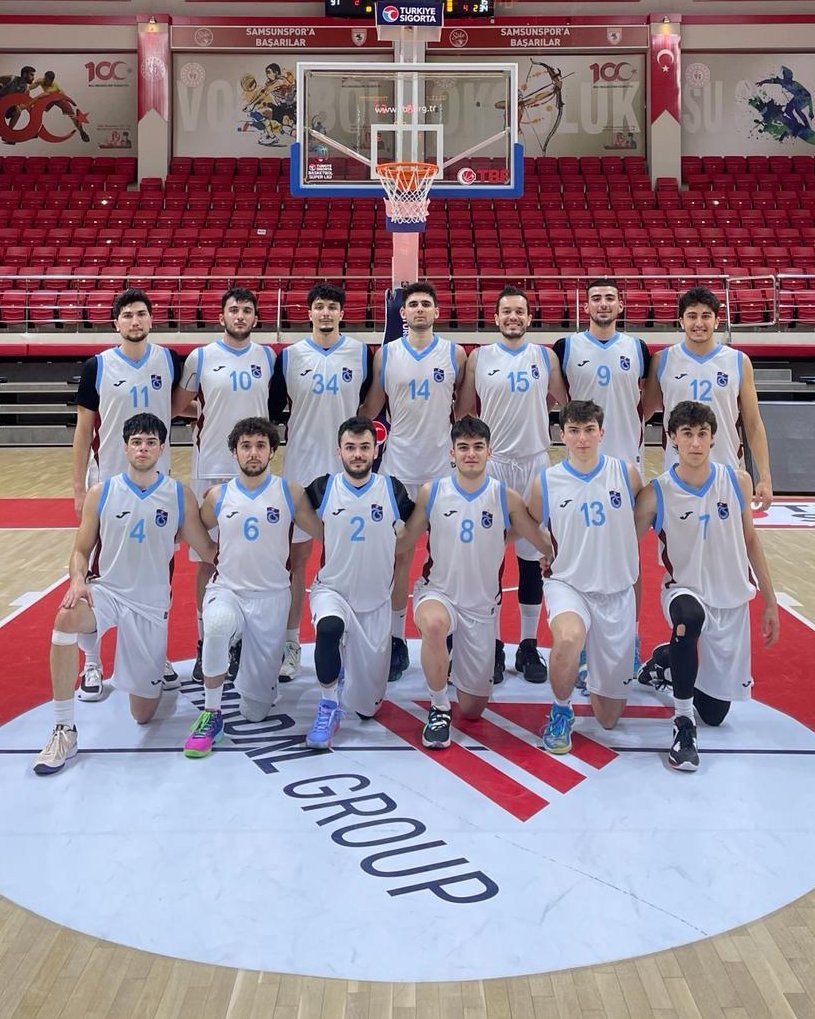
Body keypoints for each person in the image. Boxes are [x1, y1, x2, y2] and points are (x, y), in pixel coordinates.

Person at [32, 414, 216, 776]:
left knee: (142, 714)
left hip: (150, 607)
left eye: (150, 442)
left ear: (161, 449)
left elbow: (208, 549)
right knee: (67, 616)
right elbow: (80, 550)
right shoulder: (102, 492)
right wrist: (77, 579)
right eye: (136, 442)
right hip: (108, 592)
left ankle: (141, 671)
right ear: (125, 448)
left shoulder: (179, 495)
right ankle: (64, 729)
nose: (143, 448)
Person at [634, 401, 780, 772]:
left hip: (729, 598)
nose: (696, 443)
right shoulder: (656, 493)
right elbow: (623, 547)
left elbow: (751, 541)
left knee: (715, 714)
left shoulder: (737, 481)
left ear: (713, 438)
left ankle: (666, 660)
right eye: (687, 434)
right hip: (683, 590)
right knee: (688, 616)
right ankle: (683, 725)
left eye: (702, 434)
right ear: (672, 438)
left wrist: (770, 601)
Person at [397, 416, 553, 750]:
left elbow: (537, 537)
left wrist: (556, 555)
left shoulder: (505, 497)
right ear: (451, 453)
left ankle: (454, 666)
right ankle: (439, 707)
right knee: (434, 625)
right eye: (464, 447)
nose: (471, 454)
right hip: (438, 592)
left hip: (481, 607)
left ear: (489, 452)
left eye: (478, 447)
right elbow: (405, 540)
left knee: (472, 710)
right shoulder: (432, 492)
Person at [183, 418, 323, 758]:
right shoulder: (218, 496)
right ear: (234, 452)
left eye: (261, 446)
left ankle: (245, 657)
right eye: (245, 446)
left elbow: (324, 532)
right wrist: (209, 551)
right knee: (217, 624)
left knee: (255, 711)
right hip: (228, 591)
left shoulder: (289, 493)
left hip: (271, 598)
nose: (253, 453)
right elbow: (192, 525)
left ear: (272, 451)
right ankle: (212, 712)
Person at [456, 284, 569, 685]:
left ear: (529, 317)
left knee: (531, 559)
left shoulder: (545, 356)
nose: (513, 317)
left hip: (535, 462)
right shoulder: (479, 358)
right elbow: (465, 409)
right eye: (506, 311)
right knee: (490, 560)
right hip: (496, 465)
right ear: (496, 317)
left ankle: (527, 644)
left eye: (519, 311)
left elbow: (561, 399)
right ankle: (492, 644)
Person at [71, 288, 181, 698]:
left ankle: (156, 652)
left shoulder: (169, 361)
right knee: (99, 574)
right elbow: (84, 429)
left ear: (152, 319)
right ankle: (92, 661)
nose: (135, 321)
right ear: (116, 323)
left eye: (141, 314)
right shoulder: (97, 366)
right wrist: (78, 487)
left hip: (158, 485)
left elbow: (179, 406)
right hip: (111, 483)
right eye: (128, 315)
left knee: (160, 572)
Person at [360, 282, 467, 684]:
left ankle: (449, 635)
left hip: (442, 470)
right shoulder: (386, 355)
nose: (420, 309)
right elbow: (372, 407)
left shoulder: (456, 354)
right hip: (399, 469)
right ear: (402, 314)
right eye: (413, 305)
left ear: (437, 312)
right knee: (398, 557)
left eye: (426, 304)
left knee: (446, 557)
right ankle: (395, 639)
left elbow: (465, 410)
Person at [268, 282, 372, 686]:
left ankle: (350, 641)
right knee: (295, 561)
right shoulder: (289, 357)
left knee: (349, 559)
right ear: (309, 313)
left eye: (332, 307)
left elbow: (368, 408)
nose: (325, 313)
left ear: (342, 313)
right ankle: (291, 642)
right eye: (319, 307)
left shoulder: (361, 354)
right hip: (300, 469)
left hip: (347, 472)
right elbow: (273, 410)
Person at [171, 287, 276, 682]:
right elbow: (178, 405)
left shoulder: (268, 357)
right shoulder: (200, 357)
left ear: (255, 318)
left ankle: (244, 641)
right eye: (234, 309)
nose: (240, 315)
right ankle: (206, 643)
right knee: (207, 558)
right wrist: (208, 413)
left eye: (247, 310)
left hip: (255, 469)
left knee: (253, 554)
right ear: (222, 316)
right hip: (212, 465)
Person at [527, 401, 642, 754]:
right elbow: (529, 523)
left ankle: (594, 666)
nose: (582, 439)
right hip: (569, 584)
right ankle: (561, 711)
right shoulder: (546, 482)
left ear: (601, 433)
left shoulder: (626, 474)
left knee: (608, 718)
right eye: (574, 431)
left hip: (615, 592)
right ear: (561, 435)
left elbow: (641, 521)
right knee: (568, 638)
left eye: (589, 430)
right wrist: (547, 549)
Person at [553, 277, 652, 684]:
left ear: (621, 304)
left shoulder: (638, 348)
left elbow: (648, 402)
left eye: (610, 297)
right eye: (596, 298)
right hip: (580, 464)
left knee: (628, 556)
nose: (603, 304)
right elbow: (560, 399)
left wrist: (627, 427)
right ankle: (580, 646)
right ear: (586, 305)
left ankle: (630, 639)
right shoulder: (566, 347)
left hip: (625, 463)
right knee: (579, 553)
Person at [301, 415, 414, 750]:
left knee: (367, 709)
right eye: (350, 447)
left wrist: (397, 542)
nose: (358, 454)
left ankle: (349, 674)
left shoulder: (392, 489)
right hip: (332, 590)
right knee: (329, 628)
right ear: (339, 451)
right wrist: (323, 534)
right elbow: (291, 507)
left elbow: (418, 523)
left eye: (365, 447)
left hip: (374, 603)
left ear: (376, 451)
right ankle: (328, 705)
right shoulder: (323, 487)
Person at [642, 285, 773, 510]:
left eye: (706, 316)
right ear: (681, 321)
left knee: (730, 532)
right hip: (677, 471)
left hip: (726, 468)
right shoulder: (662, 360)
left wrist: (765, 476)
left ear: (717, 321)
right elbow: (642, 414)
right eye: (692, 316)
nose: (699, 323)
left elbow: (753, 423)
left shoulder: (738, 361)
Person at [30, 71, 90, 142]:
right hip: (49, 99)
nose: (46, 82)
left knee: (72, 116)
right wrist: (25, 89)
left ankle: (82, 132)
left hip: (59, 99)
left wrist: (32, 101)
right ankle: (33, 129)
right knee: (38, 109)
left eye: (48, 81)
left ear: (51, 81)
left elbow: (42, 96)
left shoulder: (54, 87)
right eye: (45, 79)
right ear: (44, 77)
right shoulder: (41, 81)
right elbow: (32, 86)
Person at [0, 65, 35, 133]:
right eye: (31, 75)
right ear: (24, 74)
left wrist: (22, 106)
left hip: (8, 107)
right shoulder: (11, 78)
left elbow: (27, 104)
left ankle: (8, 133)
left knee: (18, 111)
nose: (33, 78)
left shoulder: (26, 89)